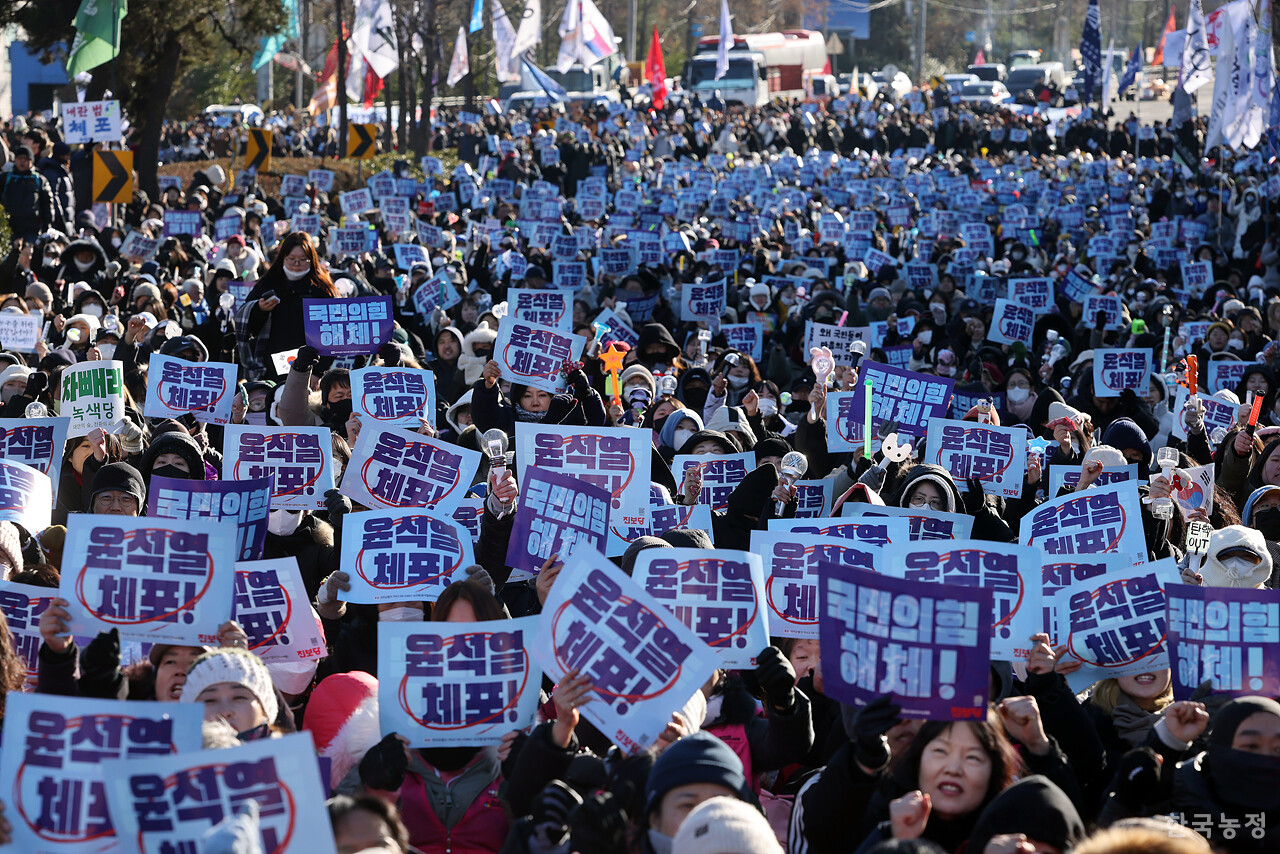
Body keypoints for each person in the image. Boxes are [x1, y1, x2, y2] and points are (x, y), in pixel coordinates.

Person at [0, 146, 55, 241]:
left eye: (26, 159)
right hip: (8, 229)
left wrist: (47, 227)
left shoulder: (40, 180)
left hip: (32, 231)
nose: (22, 162)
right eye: (20, 158)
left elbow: (47, 204)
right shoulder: (5, 178)